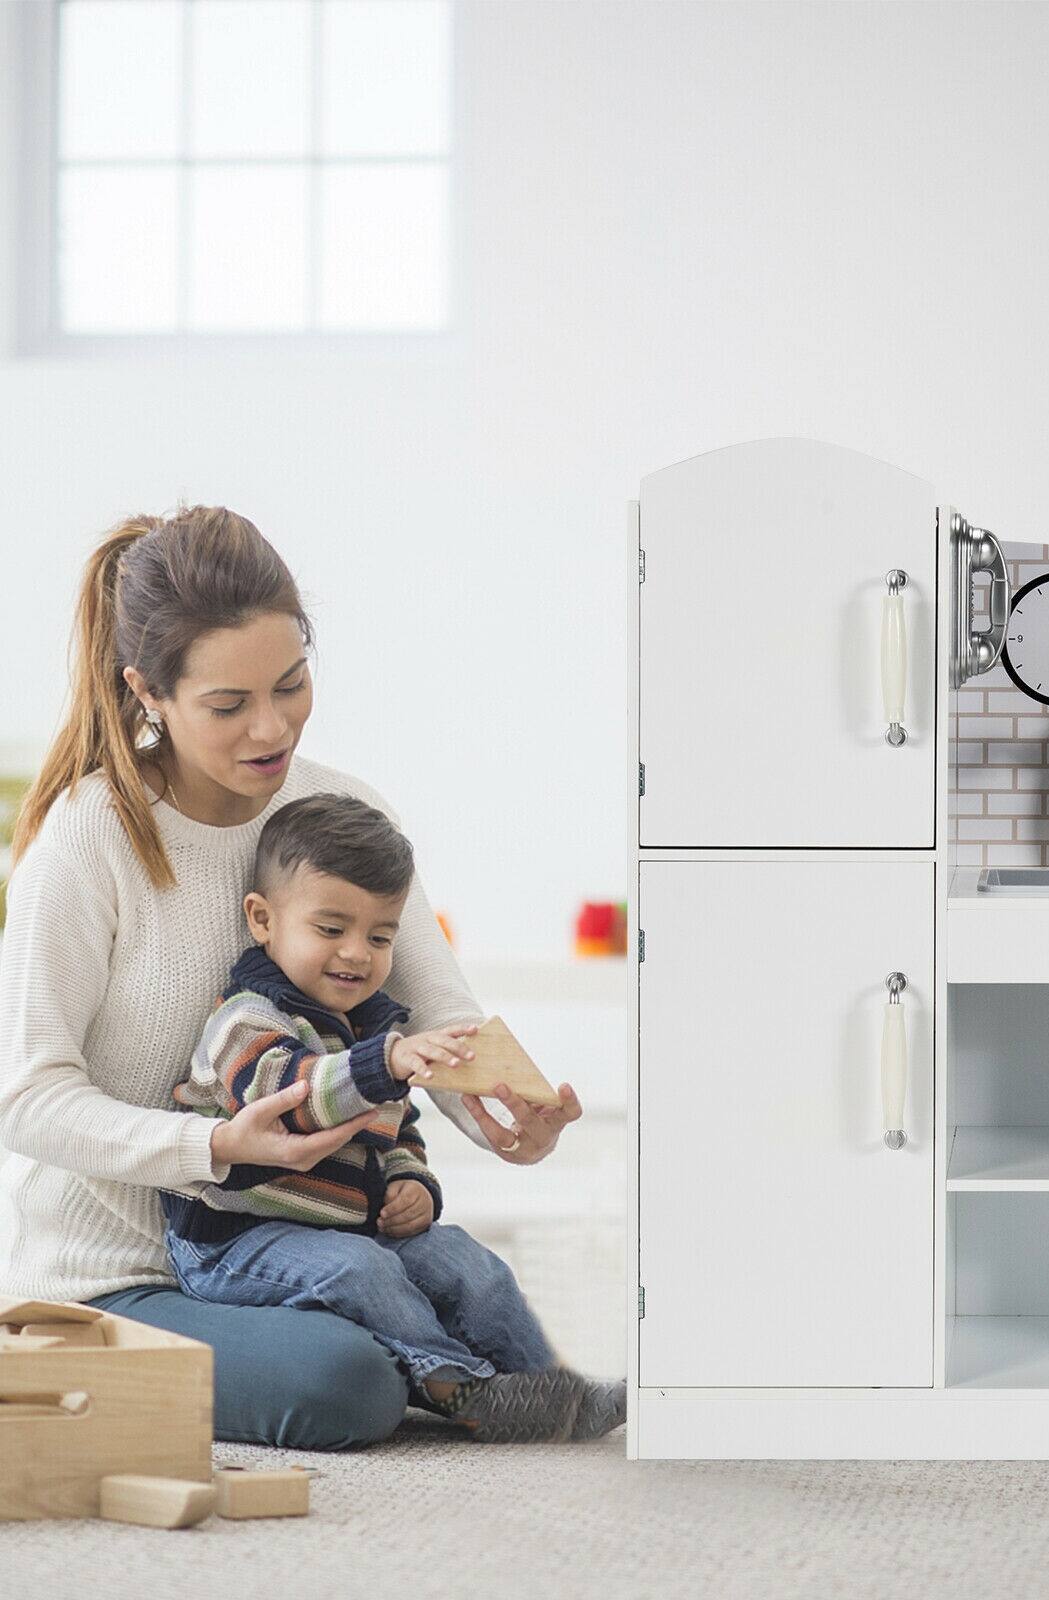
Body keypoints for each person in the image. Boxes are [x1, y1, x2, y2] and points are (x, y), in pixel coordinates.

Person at [0, 506, 603, 1449]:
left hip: (314, 1243)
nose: (270, 727)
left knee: (434, 1293)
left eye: (291, 684)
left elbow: (439, 1018)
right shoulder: (89, 841)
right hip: (118, 1273)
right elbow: (25, 1098)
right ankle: (66, 1356)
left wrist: (507, 1117)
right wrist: (211, 1149)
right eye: (228, 706)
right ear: (147, 693)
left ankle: (462, 1379)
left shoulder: (342, 809)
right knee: (345, 1385)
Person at [162, 791, 623, 1443]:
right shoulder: (246, 1020)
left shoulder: (373, 1027)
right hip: (235, 1241)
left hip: (350, 1227)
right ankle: (467, 1390)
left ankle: (550, 1385)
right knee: (364, 1273)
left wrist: (412, 1182)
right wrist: (387, 1061)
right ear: (263, 920)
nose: (357, 953)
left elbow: (395, 1129)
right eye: (331, 930)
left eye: (379, 937)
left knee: (467, 1261)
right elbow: (298, 1096)